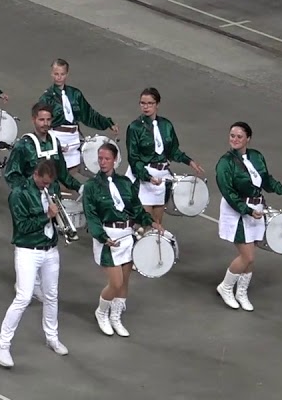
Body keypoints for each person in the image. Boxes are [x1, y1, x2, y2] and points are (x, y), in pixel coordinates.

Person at [214, 122, 282, 311]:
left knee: (251, 256)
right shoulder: (224, 163)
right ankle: (226, 287)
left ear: (248, 139)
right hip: (237, 211)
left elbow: (266, 180)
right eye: (232, 136)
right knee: (248, 256)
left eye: (239, 136)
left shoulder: (256, 157)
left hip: (256, 208)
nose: (234, 140)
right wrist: (247, 210)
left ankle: (241, 292)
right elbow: (228, 193)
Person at [81, 143, 161, 337]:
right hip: (108, 238)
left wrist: (151, 222)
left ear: (115, 160)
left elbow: (136, 208)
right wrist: (102, 237)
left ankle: (115, 317)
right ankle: (101, 312)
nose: (103, 162)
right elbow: (91, 216)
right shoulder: (91, 187)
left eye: (107, 158)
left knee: (124, 282)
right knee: (115, 282)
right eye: (100, 158)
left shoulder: (125, 182)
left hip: (127, 236)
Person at [0, 160, 68, 367]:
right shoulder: (19, 194)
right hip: (28, 250)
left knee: (52, 295)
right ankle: (2, 345)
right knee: (23, 297)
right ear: (35, 174)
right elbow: (23, 226)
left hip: (50, 250)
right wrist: (47, 216)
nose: (46, 187)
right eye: (43, 182)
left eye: (49, 183)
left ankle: (51, 337)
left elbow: (56, 211)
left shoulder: (51, 187)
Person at [125, 87, 205, 226]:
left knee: (157, 224)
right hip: (144, 177)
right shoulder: (134, 128)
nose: (146, 107)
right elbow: (133, 158)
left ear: (157, 104)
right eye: (143, 103)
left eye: (150, 103)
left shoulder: (166, 125)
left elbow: (173, 150)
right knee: (146, 224)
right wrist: (147, 177)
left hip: (161, 178)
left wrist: (189, 161)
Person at [38, 59, 117, 173]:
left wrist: (107, 123)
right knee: (57, 173)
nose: (59, 77)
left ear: (67, 74)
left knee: (78, 170)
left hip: (74, 137)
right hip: (57, 136)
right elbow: (41, 122)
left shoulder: (75, 94)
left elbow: (88, 114)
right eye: (56, 74)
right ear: (51, 74)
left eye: (62, 74)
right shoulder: (46, 98)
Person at [4, 102, 81, 197]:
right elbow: (12, 175)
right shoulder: (23, 145)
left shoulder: (55, 143)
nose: (45, 123)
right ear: (33, 119)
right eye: (41, 120)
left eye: (48, 120)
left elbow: (63, 174)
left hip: (54, 197)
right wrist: (28, 191)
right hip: (32, 201)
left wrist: (79, 187)